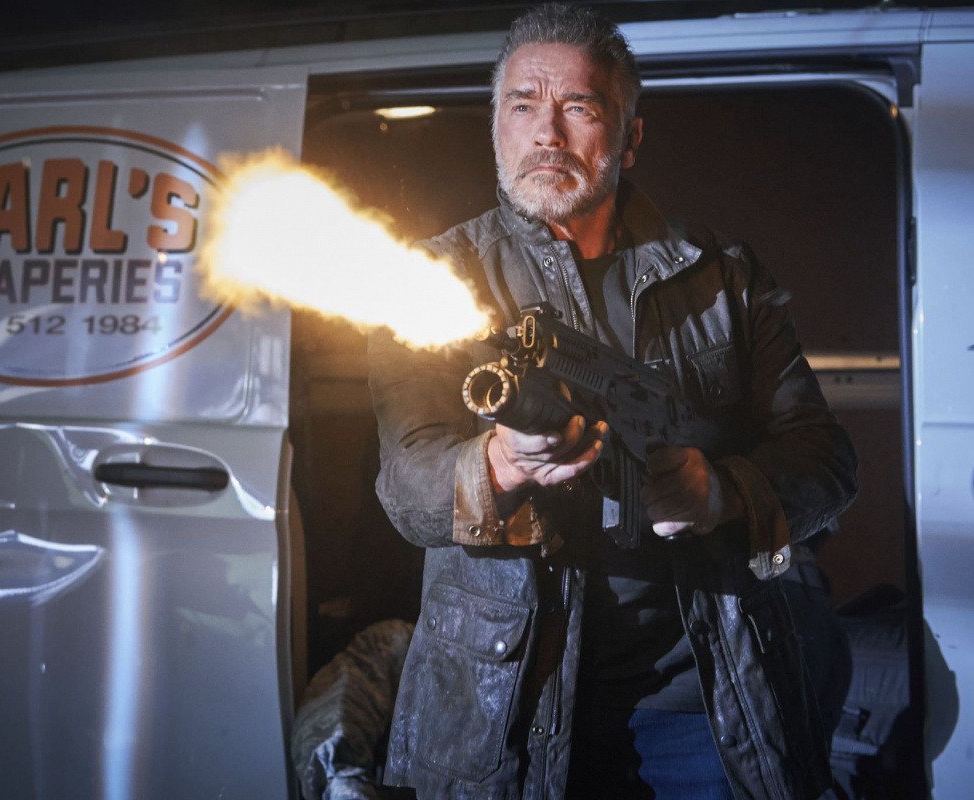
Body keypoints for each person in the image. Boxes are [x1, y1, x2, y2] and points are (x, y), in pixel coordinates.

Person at [367, 4, 858, 798]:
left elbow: (825, 458)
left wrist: (719, 492)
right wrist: (501, 462)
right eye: (520, 105)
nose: (545, 133)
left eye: (579, 107)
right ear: (494, 127)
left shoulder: (720, 274)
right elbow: (408, 490)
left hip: (706, 700)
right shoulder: (428, 281)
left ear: (629, 137)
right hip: (508, 701)